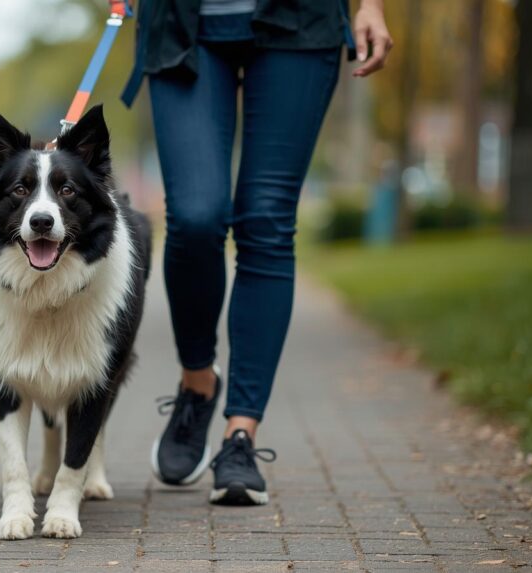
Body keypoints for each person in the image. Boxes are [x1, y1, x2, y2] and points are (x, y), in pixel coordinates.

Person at [120, 0, 392, 504]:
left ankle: (240, 437)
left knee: (266, 222)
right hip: (184, 22)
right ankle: (198, 382)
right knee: (195, 217)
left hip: (301, 22)